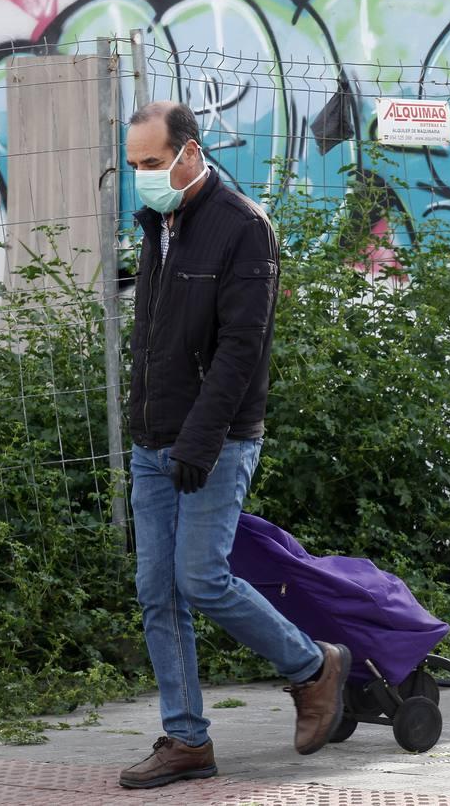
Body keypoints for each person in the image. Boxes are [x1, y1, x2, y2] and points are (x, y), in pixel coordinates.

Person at [118, 101, 351, 790]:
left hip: (214, 441)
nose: (143, 178)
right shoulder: (159, 223)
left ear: (191, 153)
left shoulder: (242, 228)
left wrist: (200, 438)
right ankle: (186, 740)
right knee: (156, 591)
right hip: (153, 441)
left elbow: (241, 349)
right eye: (133, 167)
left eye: (153, 164)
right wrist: (148, 427)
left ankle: (314, 666)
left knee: (201, 579)